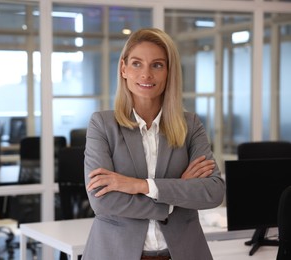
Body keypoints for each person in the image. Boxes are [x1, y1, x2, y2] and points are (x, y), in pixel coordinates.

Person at [81, 28, 225, 260]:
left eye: (157, 65)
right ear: (123, 69)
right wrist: (175, 195)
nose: (146, 74)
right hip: (115, 252)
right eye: (137, 64)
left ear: (169, 72)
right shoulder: (102, 125)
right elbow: (102, 200)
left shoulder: (190, 125)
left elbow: (213, 192)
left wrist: (139, 185)